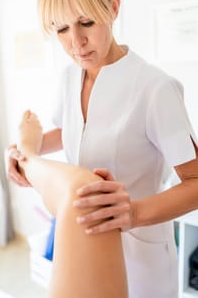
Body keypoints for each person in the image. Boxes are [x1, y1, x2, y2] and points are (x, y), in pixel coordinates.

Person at [5, 0, 198, 297]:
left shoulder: (155, 88)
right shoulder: (69, 78)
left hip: (142, 252)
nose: (76, 42)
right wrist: (25, 150)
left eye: (86, 22)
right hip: (85, 242)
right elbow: (77, 132)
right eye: (61, 29)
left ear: (113, 8)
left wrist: (132, 212)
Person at [16, 110, 128, 298]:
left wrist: (136, 213)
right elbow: (74, 129)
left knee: (87, 195)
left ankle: (27, 159)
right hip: (93, 211)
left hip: (142, 237)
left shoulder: (159, 89)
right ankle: (26, 158)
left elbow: (196, 180)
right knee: (87, 195)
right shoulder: (71, 81)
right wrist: (15, 151)